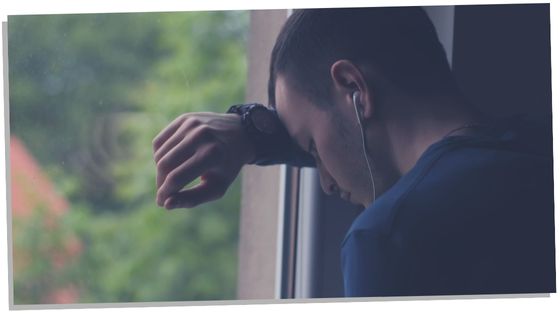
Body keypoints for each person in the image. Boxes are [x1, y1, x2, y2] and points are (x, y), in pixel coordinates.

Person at [152, 7, 555, 297]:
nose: (325, 183)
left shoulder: (389, 237)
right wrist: (255, 132)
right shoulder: (538, 147)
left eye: (311, 147)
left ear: (354, 87)